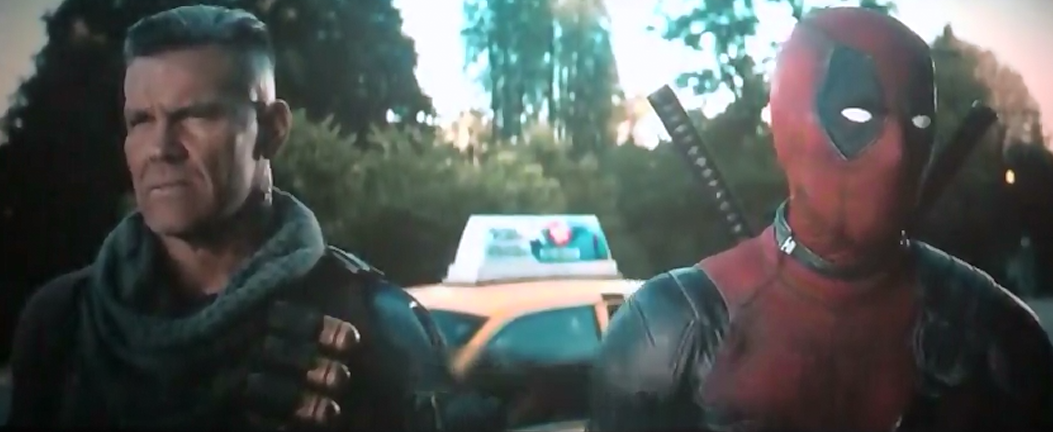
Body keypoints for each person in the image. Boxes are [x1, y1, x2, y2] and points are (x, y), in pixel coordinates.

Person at [6, 6, 502, 430]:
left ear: (271, 129)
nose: (161, 148)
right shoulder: (62, 323)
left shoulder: (374, 327)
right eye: (141, 120)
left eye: (195, 115)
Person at [587, 7, 1053, 432]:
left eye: (919, 122)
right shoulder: (667, 336)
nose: (897, 153)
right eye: (858, 114)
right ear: (786, 125)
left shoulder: (995, 338)